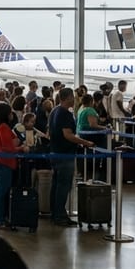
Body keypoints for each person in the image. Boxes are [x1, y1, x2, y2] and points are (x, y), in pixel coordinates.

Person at [49, 88, 93, 227]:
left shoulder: (54, 111)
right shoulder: (65, 114)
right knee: (63, 186)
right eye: (72, 98)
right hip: (65, 154)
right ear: (67, 98)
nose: (74, 100)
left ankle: (55, 213)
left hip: (55, 152)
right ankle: (60, 216)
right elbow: (67, 134)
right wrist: (85, 142)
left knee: (56, 185)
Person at [0, 102, 26, 230]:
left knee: (0, 191)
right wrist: (21, 148)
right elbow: (8, 147)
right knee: (1, 192)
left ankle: (0, 217)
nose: (12, 115)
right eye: (10, 112)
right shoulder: (4, 128)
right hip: (5, 163)